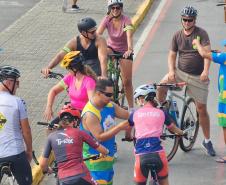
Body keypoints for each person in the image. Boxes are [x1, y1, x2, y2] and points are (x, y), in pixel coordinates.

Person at [156, 5, 216, 156]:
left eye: (190, 20)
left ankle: (207, 141)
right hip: (180, 72)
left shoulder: (201, 34)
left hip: (198, 76)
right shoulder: (177, 35)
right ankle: (165, 112)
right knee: (161, 86)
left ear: (194, 20)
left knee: (201, 109)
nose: (187, 22)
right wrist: (171, 71)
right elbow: (171, 55)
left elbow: (207, 54)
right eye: (185, 20)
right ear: (181, 20)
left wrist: (205, 71)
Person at [128, 84, 184, 185]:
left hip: (141, 157)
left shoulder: (134, 114)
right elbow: (173, 128)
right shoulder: (162, 112)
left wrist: (128, 136)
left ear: (141, 99)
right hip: (158, 156)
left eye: (136, 99)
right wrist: (181, 133)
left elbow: (128, 130)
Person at [40, 105, 109, 185]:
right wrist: (106, 152)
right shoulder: (80, 133)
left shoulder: (51, 137)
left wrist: (47, 170)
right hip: (81, 175)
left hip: (63, 179)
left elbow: (42, 164)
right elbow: (102, 149)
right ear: (75, 121)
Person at [80, 78, 130, 185]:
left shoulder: (110, 105)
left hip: (107, 158)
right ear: (98, 93)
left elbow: (128, 115)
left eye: (112, 94)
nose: (111, 97)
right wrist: (119, 127)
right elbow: (99, 137)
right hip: (95, 161)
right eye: (108, 94)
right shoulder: (90, 114)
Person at [193, 38, 226, 162]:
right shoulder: (223, 57)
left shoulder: (223, 57)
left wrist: (197, 44)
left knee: (225, 125)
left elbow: (203, 54)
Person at [97, 0, 134, 109]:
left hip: (124, 50)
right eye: (113, 8)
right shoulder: (107, 19)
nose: (115, 10)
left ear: (121, 8)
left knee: (127, 81)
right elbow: (98, 34)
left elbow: (129, 36)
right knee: (103, 54)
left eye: (118, 8)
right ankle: (107, 76)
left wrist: (130, 49)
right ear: (109, 9)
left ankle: (131, 108)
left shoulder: (126, 20)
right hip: (111, 48)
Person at [42, 17, 108, 77]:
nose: (95, 33)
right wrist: (48, 67)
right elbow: (60, 56)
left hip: (97, 72)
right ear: (84, 33)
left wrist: (104, 76)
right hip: (80, 73)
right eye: (92, 32)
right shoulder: (74, 42)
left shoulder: (100, 40)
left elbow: (103, 59)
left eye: (95, 30)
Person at [0, 65, 33, 185]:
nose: (17, 86)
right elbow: (26, 131)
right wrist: (29, 151)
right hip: (15, 154)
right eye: (17, 82)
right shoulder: (17, 101)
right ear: (9, 82)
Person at [44, 51, 96, 121]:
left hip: (84, 115)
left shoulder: (89, 82)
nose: (67, 71)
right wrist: (49, 107)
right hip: (71, 113)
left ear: (74, 68)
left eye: (68, 68)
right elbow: (53, 91)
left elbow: (92, 103)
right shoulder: (70, 77)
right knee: (51, 127)